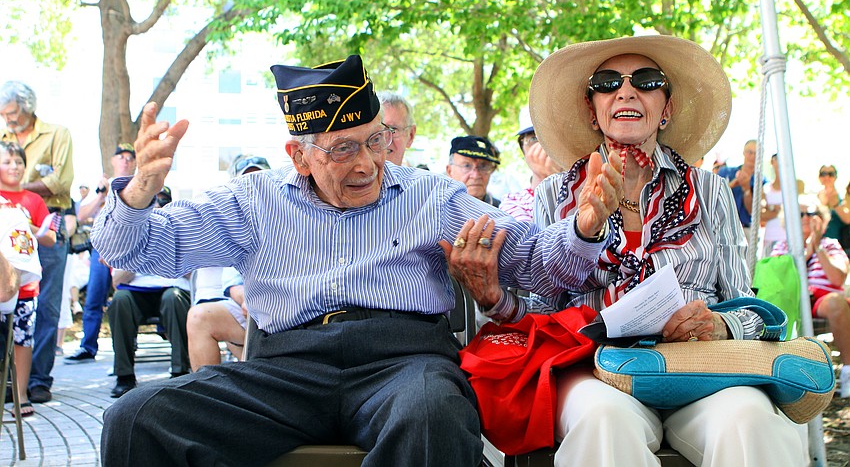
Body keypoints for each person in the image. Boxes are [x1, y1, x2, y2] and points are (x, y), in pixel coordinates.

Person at [91, 54, 617, 467]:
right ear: (298, 157)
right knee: (134, 420)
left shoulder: (429, 196)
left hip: (404, 363)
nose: (368, 165)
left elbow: (542, 263)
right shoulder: (253, 201)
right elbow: (130, 248)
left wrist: (585, 226)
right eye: (342, 150)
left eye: (376, 141)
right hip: (286, 370)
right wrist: (138, 190)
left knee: (434, 412)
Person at [449, 36, 806, 466]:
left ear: (666, 108)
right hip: (595, 369)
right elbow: (538, 317)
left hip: (702, 368)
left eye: (647, 80)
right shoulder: (553, 195)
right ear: (592, 109)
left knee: (750, 418)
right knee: (602, 420)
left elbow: (750, 306)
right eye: (607, 82)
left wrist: (719, 324)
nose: (626, 90)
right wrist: (493, 299)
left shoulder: (710, 190)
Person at [0, 80, 74, 404]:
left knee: (44, 307)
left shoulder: (57, 133)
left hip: (45, 225)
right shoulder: (2, 138)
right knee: (7, 305)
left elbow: (60, 180)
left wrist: (16, 187)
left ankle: (38, 381)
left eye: (13, 112)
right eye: (3, 114)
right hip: (6, 234)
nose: (8, 120)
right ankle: (10, 383)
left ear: (27, 107)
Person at [187, 155, 271, 369]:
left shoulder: (290, 215)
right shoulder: (233, 223)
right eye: (247, 180)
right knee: (198, 318)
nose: (254, 186)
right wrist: (249, 299)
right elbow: (232, 284)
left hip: (287, 310)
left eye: (260, 178)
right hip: (249, 310)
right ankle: (208, 397)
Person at [107, 186, 191, 398]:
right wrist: (143, 247)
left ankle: (180, 371)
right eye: (152, 201)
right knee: (119, 299)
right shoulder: (129, 233)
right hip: (137, 291)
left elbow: (191, 274)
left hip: (172, 289)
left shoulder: (180, 229)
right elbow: (117, 281)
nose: (157, 206)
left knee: (174, 299)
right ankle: (124, 375)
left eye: (162, 201)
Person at [65, 143, 137, 364]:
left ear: (134, 162)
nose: (125, 160)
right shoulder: (102, 187)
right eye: (121, 157)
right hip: (100, 250)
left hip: (129, 249)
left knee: (127, 296)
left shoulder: (138, 186)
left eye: (129, 157)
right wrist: (100, 195)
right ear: (113, 161)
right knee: (95, 298)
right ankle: (88, 346)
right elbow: (80, 216)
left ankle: (128, 346)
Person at [0, 141, 58, 417]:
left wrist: (27, 225)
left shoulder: (34, 201)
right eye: (7, 161)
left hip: (25, 287)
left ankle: (21, 395)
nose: (14, 167)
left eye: (19, 161)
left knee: (23, 339)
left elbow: (50, 237)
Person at [770, 201, 850, 395]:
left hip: (822, 299)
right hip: (793, 299)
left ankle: (848, 371)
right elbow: (780, 280)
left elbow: (838, 277)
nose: (805, 217)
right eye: (800, 214)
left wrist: (817, 246)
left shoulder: (830, 244)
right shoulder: (781, 246)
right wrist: (807, 251)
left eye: (811, 213)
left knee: (836, 303)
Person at [499, 107, 563, 222]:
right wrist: (550, 183)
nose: (544, 145)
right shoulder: (513, 202)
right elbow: (534, 239)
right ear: (524, 151)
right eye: (534, 138)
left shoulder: (584, 189)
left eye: (550, 135)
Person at [446, 135, 501, 207]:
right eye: (467, 166)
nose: (476, 175)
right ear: (450, 171)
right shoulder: (437, 209)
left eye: (483, 166)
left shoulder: (505, 210)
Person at [379, 92, 416, 166]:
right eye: (377, 130)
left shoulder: (427, 177)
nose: (384, 138)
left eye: (392, 129)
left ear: (410, 135)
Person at [760, 153, 785, 258]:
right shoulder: (765, 189)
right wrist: (781, 209)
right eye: (776, 158)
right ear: (772, 162)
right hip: (770, 238)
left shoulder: (793, 188)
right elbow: (761, 215)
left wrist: (772, 209)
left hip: (789, 239)